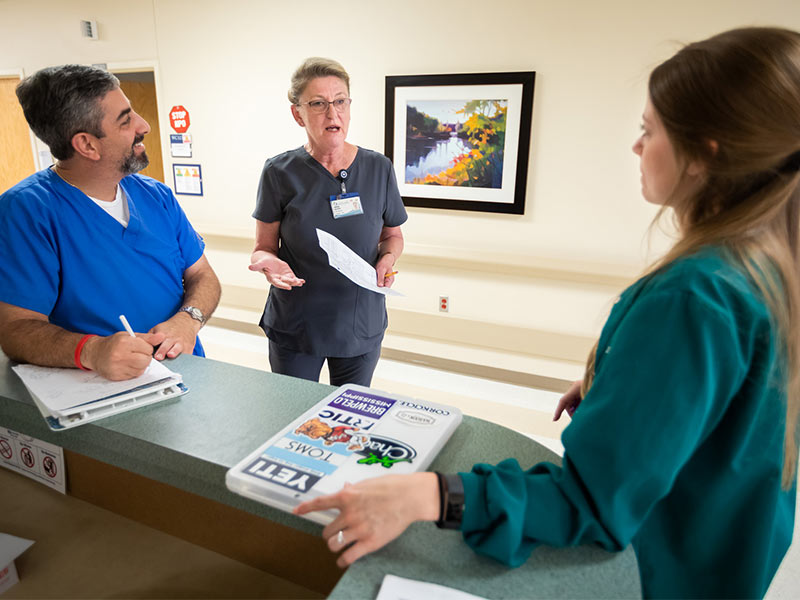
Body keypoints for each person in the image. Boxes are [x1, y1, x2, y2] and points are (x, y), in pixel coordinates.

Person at [294, 27, 800, 598]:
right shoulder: (769, 266)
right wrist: (622, 382)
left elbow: (589, 504)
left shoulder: (694, 296)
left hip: (659, 575)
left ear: (705, 152)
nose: (637, 147)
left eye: (648, 130)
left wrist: (424, 494)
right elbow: (728, 411)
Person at [0, 65, 221, 381]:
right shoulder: (27, 212)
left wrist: (189, 319)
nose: (143, 125)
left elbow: (202, 274)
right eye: (126, 120)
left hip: (185, 374)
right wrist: (91, 351)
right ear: (87, 145)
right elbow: (14, 329)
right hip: (102, 389)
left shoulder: (156, 196)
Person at [249, 57, 407, 387]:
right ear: (298, 113)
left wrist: (388, 259)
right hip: (297, 324)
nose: (332, 114)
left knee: (349, 420)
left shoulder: (378, 168)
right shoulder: (279, 172)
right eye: (318, 104)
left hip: (359, 323)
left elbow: (393, 235)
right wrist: (269, 265)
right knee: (292, 416)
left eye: (340, 102)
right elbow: (263, 248)